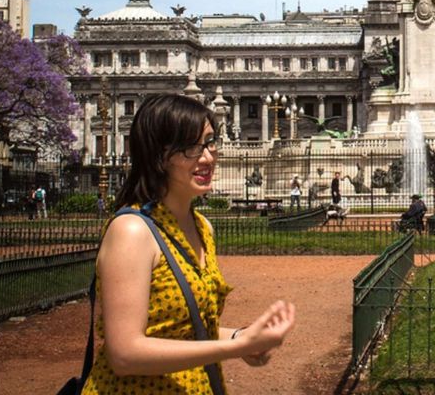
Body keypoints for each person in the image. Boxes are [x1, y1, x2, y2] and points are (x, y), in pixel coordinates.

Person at [82, 93, 296, 394]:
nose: (207, 156)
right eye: (190, 147)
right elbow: (125, 354)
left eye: (209, 142)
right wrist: (235, 349)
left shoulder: (202, 227)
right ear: (158, 155)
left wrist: (239, 338)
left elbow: (185, 332)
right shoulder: (132, 231)